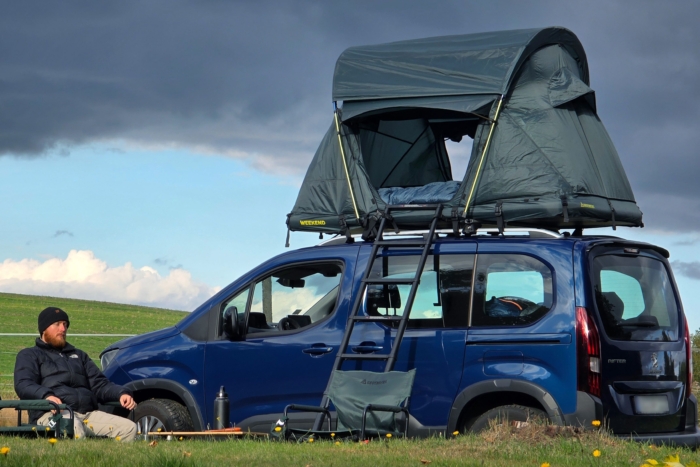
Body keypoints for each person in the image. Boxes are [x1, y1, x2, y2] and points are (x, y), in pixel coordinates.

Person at [14, 307, 138, 441]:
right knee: (72, 426)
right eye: (57, 324)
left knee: (129, 428)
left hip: (87, 415)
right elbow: (23, 384)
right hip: (52, 414)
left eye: (65, 325)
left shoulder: (79, 356)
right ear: (44, 329)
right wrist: (46, 396)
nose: (63, 329)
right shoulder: (29, 355)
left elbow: (99, 384)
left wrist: (121, 393)